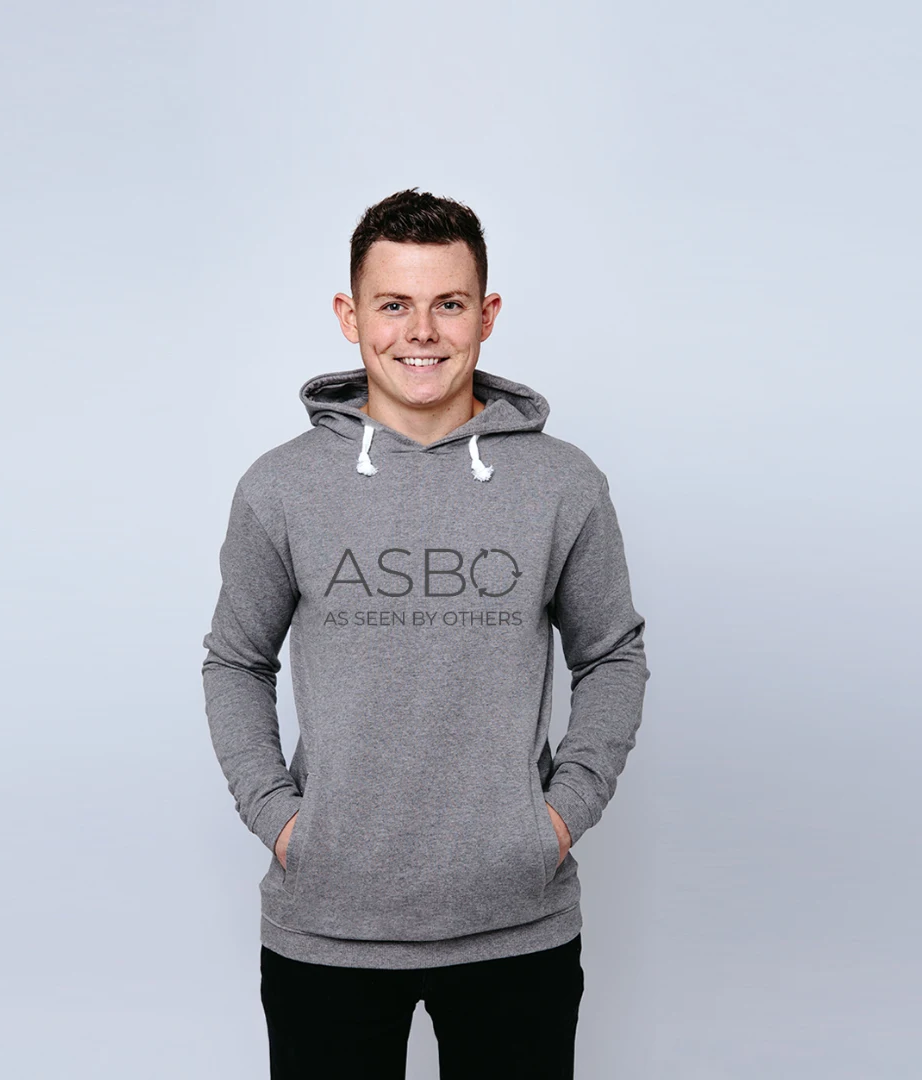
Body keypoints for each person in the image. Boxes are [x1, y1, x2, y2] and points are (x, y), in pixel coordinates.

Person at [201, 188, 650, 1079]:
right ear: (350, 316)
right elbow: (235, 660)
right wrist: (281, 821)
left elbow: (612, 654)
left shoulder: (563, 484)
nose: (421, 332)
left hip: (515, 923)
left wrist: (559, 818)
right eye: (393, 305)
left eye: (448, 303)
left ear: (486, 315)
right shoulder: (280, 487)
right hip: (328, 925)